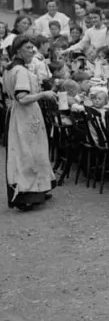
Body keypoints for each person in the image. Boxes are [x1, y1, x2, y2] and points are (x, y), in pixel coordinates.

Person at [3, 36, 57, 210]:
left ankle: (39, 188)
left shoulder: (11, 69)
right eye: (28, 48)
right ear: (18, 50)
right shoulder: (20, 71)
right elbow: (22, 97)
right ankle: (27, 193)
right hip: (25, 115)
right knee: (27, 153)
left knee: (31, 151)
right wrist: (44, 94)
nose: (32, 51)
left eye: (33, 48)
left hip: (21, 115)